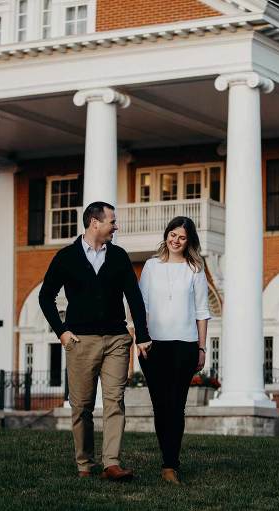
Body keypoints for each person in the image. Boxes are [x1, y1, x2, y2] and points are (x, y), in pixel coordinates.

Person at [39, 201, 150, 482]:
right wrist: (62, 332)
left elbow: (134, 297)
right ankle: (85, 463)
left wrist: (142, 336)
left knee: (115, 401)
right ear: (94, 223)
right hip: (81, 341)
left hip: (116, 339)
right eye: (112, 221)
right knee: (82, 406)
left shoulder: (119, 256)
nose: (117, 226)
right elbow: (45, 296)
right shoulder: (66, 256)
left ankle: (111, 463)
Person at [137, 216, 211, 485]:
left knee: (176, 406)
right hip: (153, 346)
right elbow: (140, 305)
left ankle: (171, 465)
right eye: (172, 234)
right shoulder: (151, 266)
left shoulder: (195, 269)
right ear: (166, 234)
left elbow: (202, 312)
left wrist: (202, 348)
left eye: (182, 237)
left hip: (185, 345)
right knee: (160, 406)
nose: (176, 240)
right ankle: (166, 459)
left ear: (188, 241)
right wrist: (140, 338)